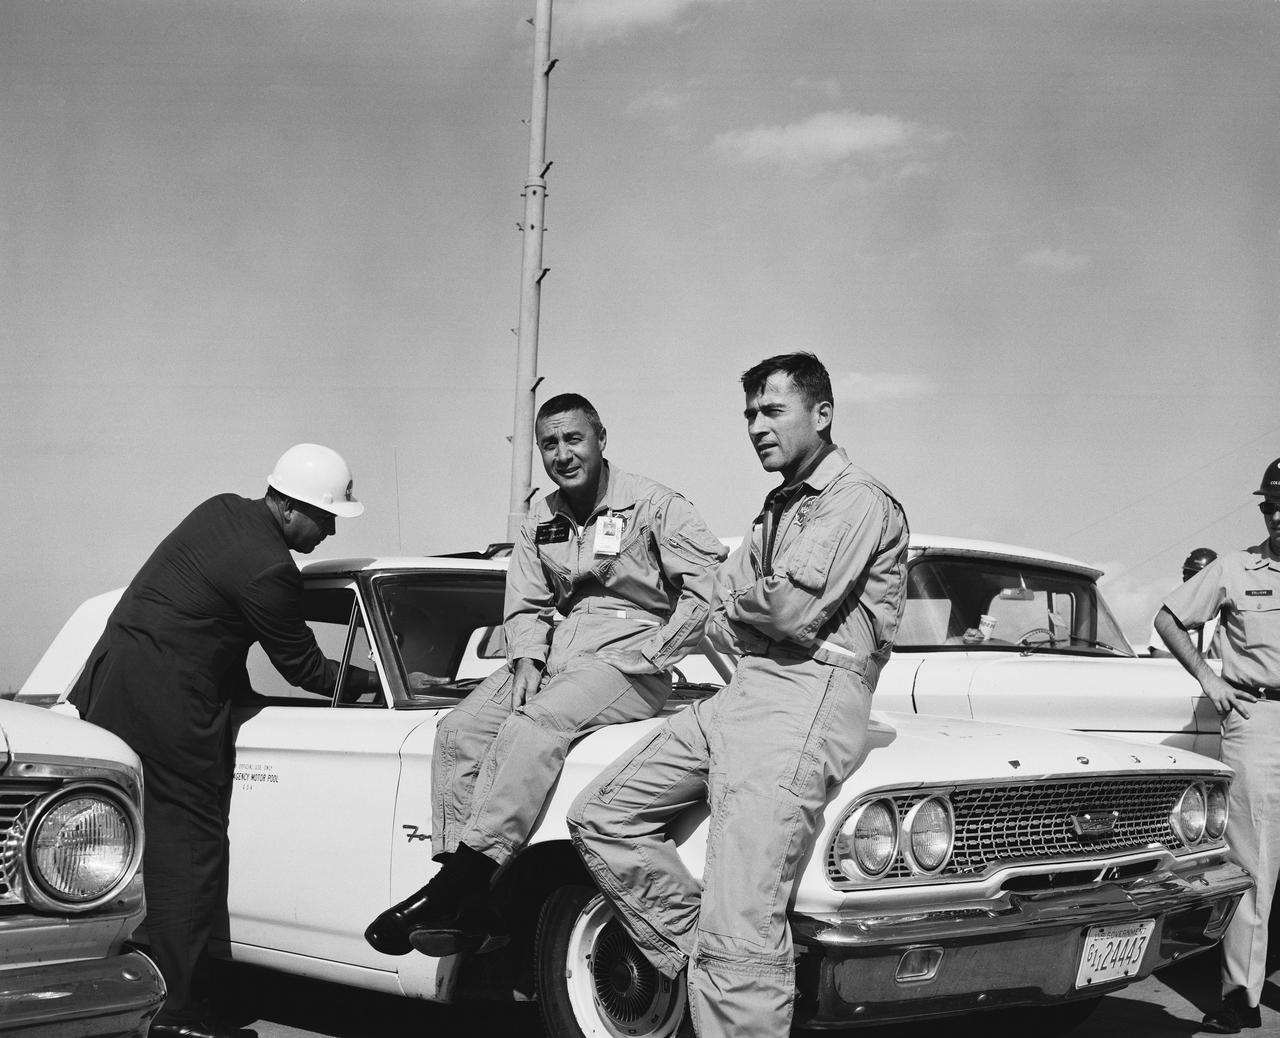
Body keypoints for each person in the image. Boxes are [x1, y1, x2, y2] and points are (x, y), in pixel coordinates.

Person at [567, 352, 909, 1038]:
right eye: (750, 414)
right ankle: (707, 958)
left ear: (822, 414)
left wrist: (749, 603)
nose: (756, 427)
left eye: (773, 411)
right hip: (749, 686)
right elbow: (721, 609)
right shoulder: (779, 507)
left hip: (809, 693)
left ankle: (731, 968)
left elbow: (787, 611)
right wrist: (751, 604)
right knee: (602, 815)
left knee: (743, 921)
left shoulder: (856, 499)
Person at [364, 393, 726, 957]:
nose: (563, 454)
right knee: (460, 730)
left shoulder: (655, 504)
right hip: (559, 648)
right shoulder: (541, 517)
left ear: (601, 438)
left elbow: (709, 589)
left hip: (627, 655)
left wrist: (657, 651)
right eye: (549, 444)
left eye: (574, 439)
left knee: (533, 726)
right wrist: (529, 657)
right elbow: (526, 604)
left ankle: (455, 885)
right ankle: (472, 904)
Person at [70, 443, 371, 1038]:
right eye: (326, 515)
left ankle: (136, 987)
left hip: (110, 688)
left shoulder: (221, 509)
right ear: (289, 508)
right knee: (190, 851)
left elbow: (205, 618)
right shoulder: (269, 568)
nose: (331, 530)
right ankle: (176, 1014)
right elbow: (307, 670)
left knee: (129, 846)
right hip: (168, 708)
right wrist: (376, 682)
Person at [1154, 456, 1280, 1034]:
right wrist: (1210, 679)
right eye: (1270, 507)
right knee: (1253, 862)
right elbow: (1168, 618)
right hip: (1260, 720)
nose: (1276, 517)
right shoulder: (1233, 568)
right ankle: (1242, 996)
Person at [1148, 547, 1219, 657]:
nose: (1190, 582)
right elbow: (1159, 654)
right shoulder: (1167, 615)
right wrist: (1197, 661)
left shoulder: (1227, 615)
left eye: (1197, 576)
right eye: (1187, 575)